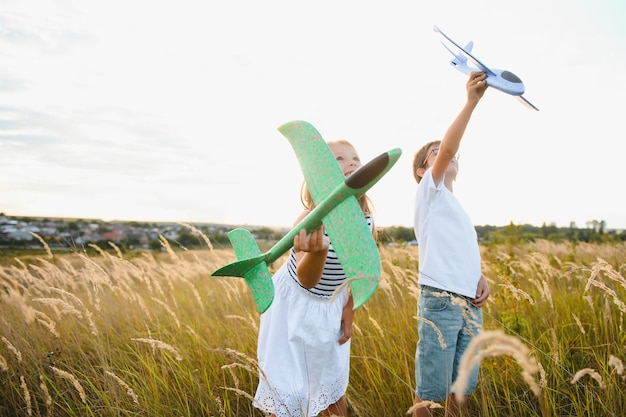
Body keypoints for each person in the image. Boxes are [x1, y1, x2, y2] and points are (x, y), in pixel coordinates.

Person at [254, 139, 376, 417]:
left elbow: (358, 269)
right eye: (340, 159)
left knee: (330, 390)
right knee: (288, 389)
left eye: (355, 158)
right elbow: (306, 280)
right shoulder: (308, 220)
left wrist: (349, 308)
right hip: (294, 306)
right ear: (319, 175)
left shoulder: (365, 219)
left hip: (331, 305)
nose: (352, 162)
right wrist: (318, 252)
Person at [410, 72, 491, 417]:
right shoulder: (430, 193)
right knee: (429, 396)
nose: (443, 154)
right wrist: (471, 102)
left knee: (460, 392)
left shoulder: (455, 207)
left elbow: (460, 251)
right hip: (440, 301)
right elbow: (449, 147)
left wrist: (480, 276)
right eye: (434, 153)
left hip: (470, 305)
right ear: (421, 170)